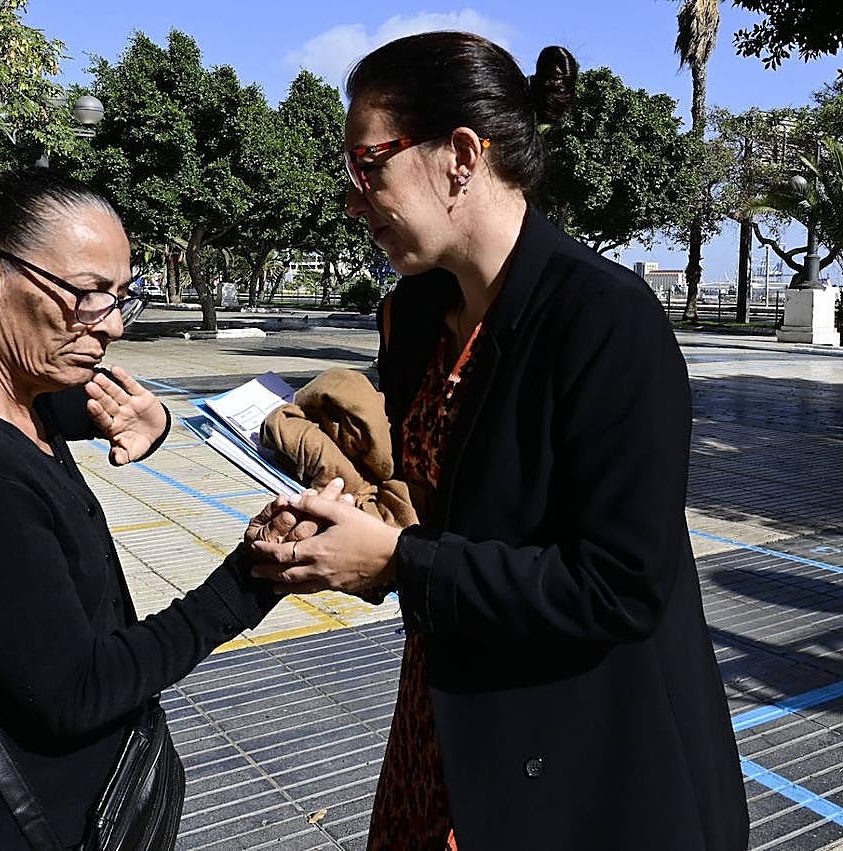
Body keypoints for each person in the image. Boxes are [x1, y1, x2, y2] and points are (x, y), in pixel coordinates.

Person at [249, 32, 749, 850]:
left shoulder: (605, 320)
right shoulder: (413, 316)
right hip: (445, 716)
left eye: (369, 165)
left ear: (462, 155)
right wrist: (340, 531)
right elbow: (436, 515)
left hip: (574, 753)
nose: (352, 198)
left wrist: (399, 561)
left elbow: (620, 585)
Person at [0, 169, 326, 850]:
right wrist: (251, 578)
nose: (111, 323)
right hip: (5, 823)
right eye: (87, 294)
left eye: (122, 295)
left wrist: (156, 418)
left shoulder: (0, 391)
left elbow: (87, 408)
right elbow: (78, 690)